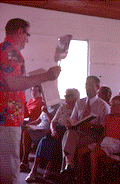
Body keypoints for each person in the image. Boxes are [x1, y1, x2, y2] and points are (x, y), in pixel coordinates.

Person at [0, 18, 61, 184]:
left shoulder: (5, 50)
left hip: (8, 118)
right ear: (20, 32)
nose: (27, 39)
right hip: (7, 119)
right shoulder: (10, 50)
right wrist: (46, 76)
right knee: (8, 171)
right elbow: (13, 83)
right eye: (27, 35)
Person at [25, 88, 80, 182]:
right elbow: (53, 121)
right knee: (43, 141)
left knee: (56, 144)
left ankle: (48, 169)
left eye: (67, 96)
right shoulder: (62, 107)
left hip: (67, 132)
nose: (65, 97)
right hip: (57, 129)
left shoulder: (78, 108)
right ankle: (33, 171)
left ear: (74, 97)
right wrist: (53, 130)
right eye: (65, 95)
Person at [60, 76, 110, 178]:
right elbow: (73, 119)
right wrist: (69, 123)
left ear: (97, 87)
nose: (88, 87)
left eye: (91, 85)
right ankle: (70, 165)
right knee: (69, 132)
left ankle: (67, 168)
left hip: (92, 136)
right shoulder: (80, 102)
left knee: (67, 139)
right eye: (86, 84)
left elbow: (104, 129)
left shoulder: (103, 105)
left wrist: (90, 127)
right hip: (78, 133)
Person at [77, 95, 120, 184]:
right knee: (80, 151)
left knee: (94, 154)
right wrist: (98, 144)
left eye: (114, 106)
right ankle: (80, 177)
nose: (111, 107)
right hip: (104, 142)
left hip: (114, 144)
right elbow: (103, 133)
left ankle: (93, 181)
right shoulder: (109, 118)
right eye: (111, 105)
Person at [20, 103, 60, 172]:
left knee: (26, 133)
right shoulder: (46, 107)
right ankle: (22, 158)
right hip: (39, 127)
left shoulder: (58, 107)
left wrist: (46, 112)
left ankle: (24, 160)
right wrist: (28, 125)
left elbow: (53, 122)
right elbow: (38, 121)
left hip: (47, 129)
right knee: (24, 130)